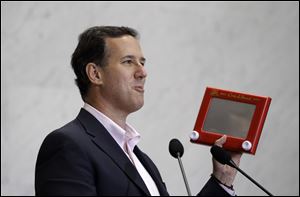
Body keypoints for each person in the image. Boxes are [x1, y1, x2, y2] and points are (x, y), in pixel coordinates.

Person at [35, 26, 242, 196]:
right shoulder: (67, 145)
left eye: (142, 62)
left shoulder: (141, 159)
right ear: (95, 74)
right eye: (128, 62)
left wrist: (222, 179)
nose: (143, 72)